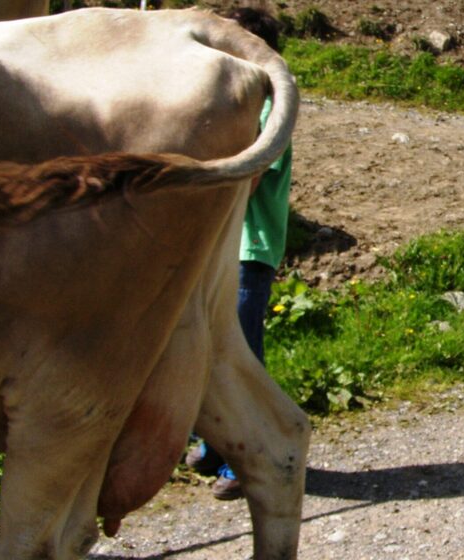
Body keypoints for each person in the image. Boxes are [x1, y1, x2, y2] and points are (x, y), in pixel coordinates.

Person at [185, 6, 293, 501]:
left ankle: (247, 459)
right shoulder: (238, 104)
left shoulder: (270, 107)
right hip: (224, 246)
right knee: (211, 347)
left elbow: (251, 175)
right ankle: (216, 443)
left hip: (250, 250)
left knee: (240, 354)